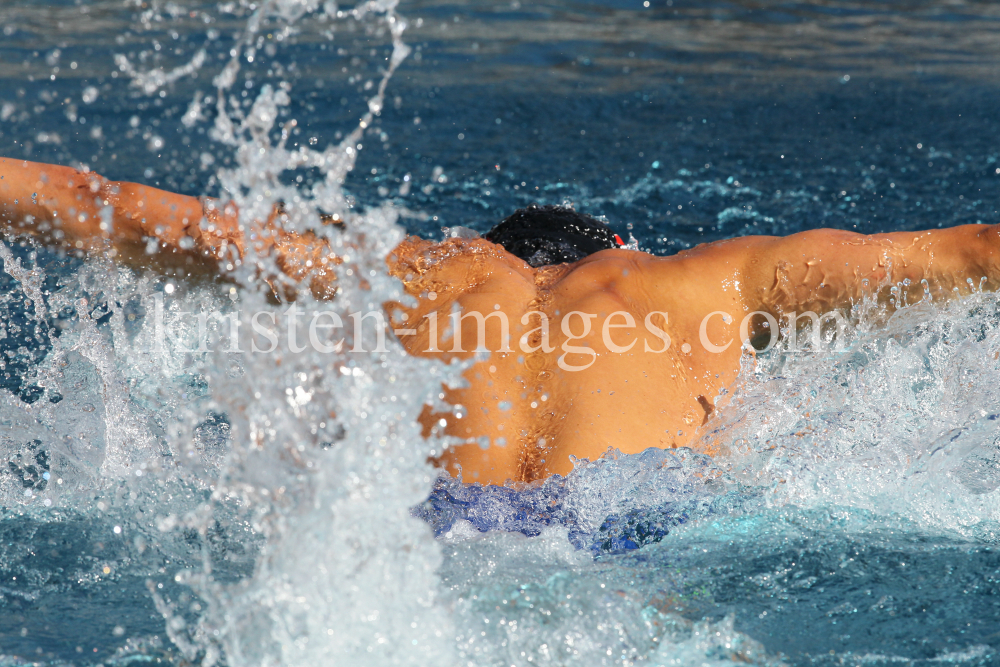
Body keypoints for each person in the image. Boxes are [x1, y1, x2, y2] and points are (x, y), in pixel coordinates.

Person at [2, 157, 999, 485]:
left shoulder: (412, 273)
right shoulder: (703, 283)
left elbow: (123, 211)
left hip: (429, 542)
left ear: (495, 250)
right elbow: (977, 253)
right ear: (617, 249)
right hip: (625, 532)